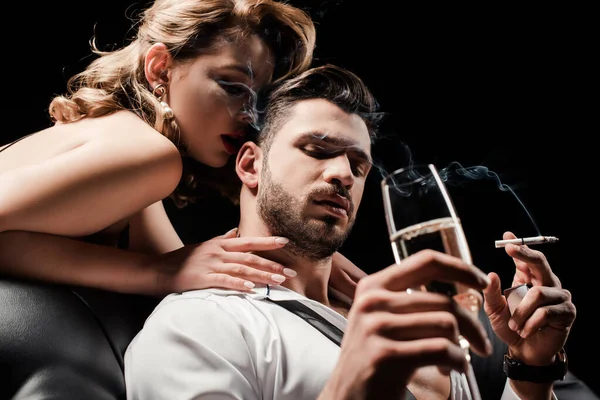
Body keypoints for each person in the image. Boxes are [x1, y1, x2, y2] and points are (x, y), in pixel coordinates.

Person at [124, 64, 582, 399]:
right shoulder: (199, 326)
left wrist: (529, 372)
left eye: (359, 164)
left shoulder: (407, 316)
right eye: (318, 149)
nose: (344, 172)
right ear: (250, 164)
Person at [0, 0, 365, 298]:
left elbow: (181, 271)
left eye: (259, 98)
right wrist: (154, 273)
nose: (250, 116)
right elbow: (164, 271)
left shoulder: (133, 149)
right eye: (233, 86)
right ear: (160, 70)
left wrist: (311, 259)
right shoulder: (150, 155)